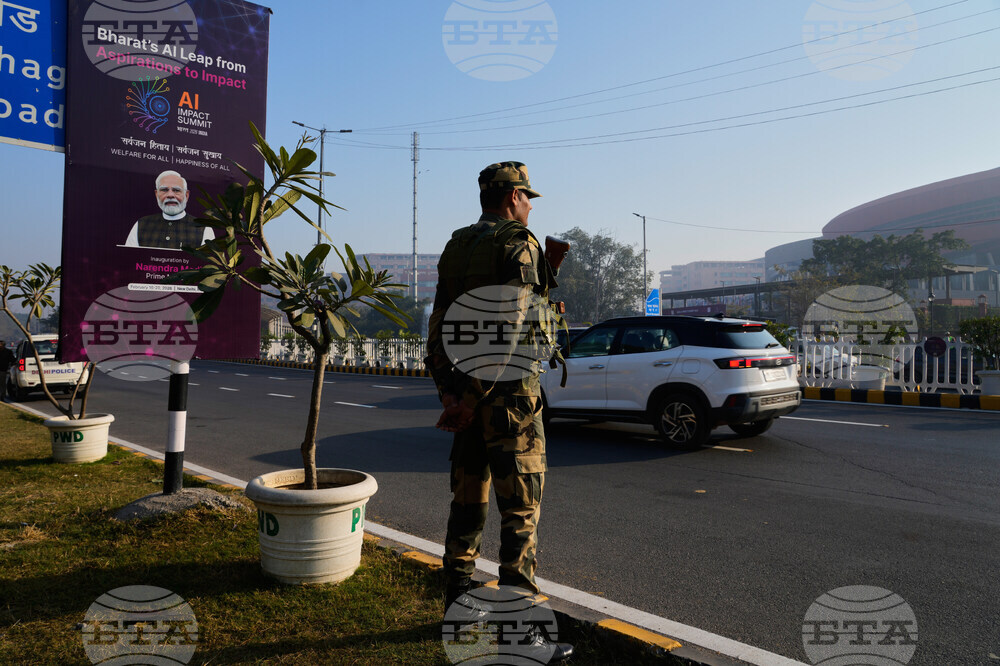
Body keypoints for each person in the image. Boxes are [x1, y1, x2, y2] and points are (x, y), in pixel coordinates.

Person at [426, 161, 572, 661]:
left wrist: (450, 393)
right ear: (511, 197)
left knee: (467, 506)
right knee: (520, 514)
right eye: (527, 196)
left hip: (466, 400)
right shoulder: (519, 243)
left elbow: (440, 322)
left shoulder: (456, 245)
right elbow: (510, 329)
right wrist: (472, 398)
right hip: (508, 401)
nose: (529, 205)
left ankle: (455, 614)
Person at [124, 170, 214, 250]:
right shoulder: (141, 224)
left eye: (176, 190)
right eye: (164, 190)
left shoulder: (203, 228)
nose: (170, 195)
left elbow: (210, 266)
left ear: (186, 195)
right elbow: (129, 261)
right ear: (156, 194)